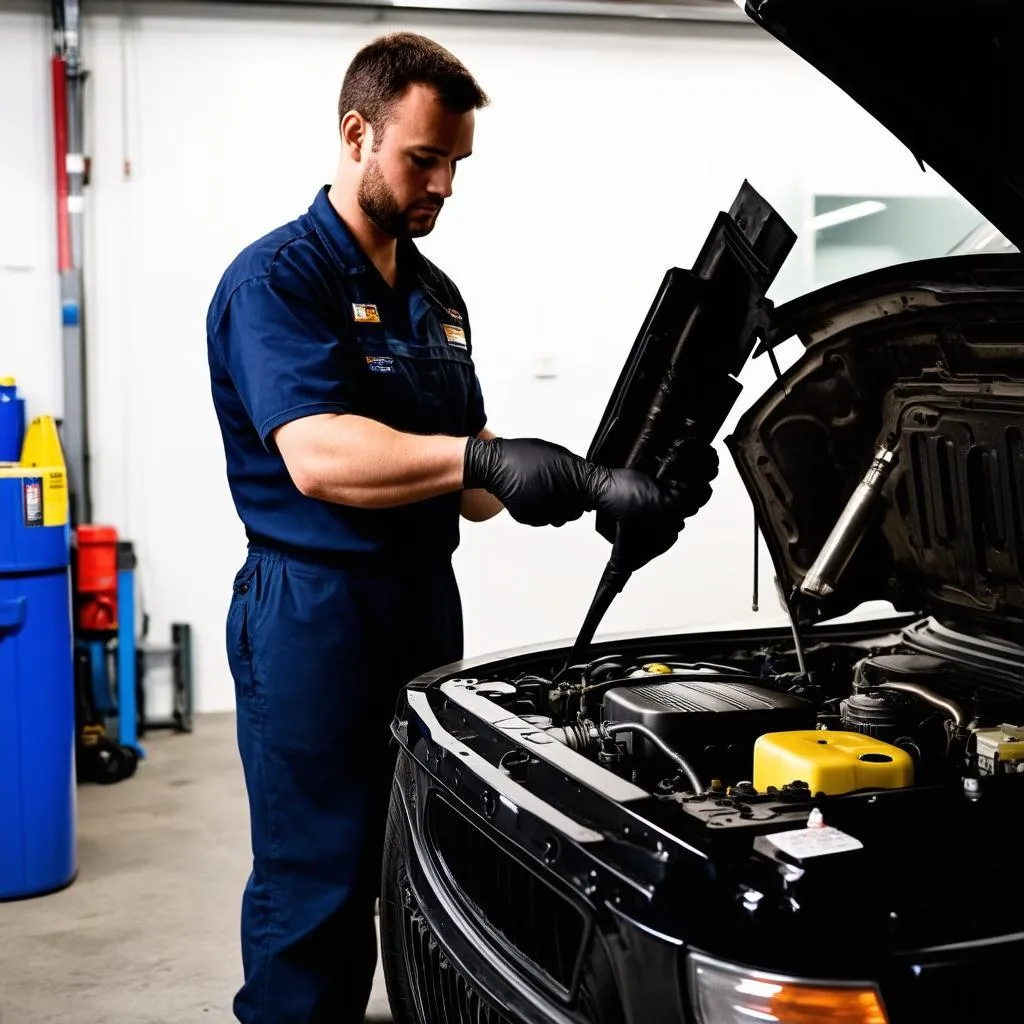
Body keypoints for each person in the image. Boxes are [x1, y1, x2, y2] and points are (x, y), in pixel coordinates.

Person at [206, 31, 718, 1024]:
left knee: (414, 857)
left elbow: (475, 484)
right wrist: (481, 459)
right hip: (311, 612)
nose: (443, 184)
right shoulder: (278, 280)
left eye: (456, 164)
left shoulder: (437, 300)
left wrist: (589, 481)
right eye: (422, 158)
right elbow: (318, 454)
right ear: (357, 135)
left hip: (418, 607)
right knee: (315, 881)